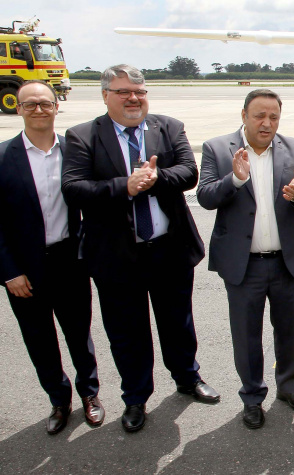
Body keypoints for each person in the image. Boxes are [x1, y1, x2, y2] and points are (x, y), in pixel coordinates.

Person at [62, 65, 219, 433]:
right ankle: (135, 398)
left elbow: (188, 173)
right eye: (123, 92)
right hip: (116, 256)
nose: (133, 98)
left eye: (140, 91)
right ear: (105, 96)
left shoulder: (168, 126)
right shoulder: (83, 135)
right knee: (127, 332)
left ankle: (187, 378)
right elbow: (73, 187)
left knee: (178, 323)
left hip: (168, 250)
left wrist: (153, 178)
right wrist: (125, 187)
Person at [197, 89, 294, 429]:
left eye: (274, 117)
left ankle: (289, 387)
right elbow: (205, 196)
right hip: (243, 264)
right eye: (259, 116)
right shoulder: (216, 149)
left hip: (285, 261)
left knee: (288, 330)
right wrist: (235, 179)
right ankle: (252, 398)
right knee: (246, 335)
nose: (267, 123)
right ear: (244, 115)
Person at [0, 81, 104, 434]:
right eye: (31, 105)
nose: (39, 110)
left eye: (45, 104)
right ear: (19, 109)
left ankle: (90, 394)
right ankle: (59, 401)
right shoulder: (2, 157)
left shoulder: (75, 153)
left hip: (70, 261)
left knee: (79, 334)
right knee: (39, 338)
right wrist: (8, 271)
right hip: (24, 269)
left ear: (56, 107)